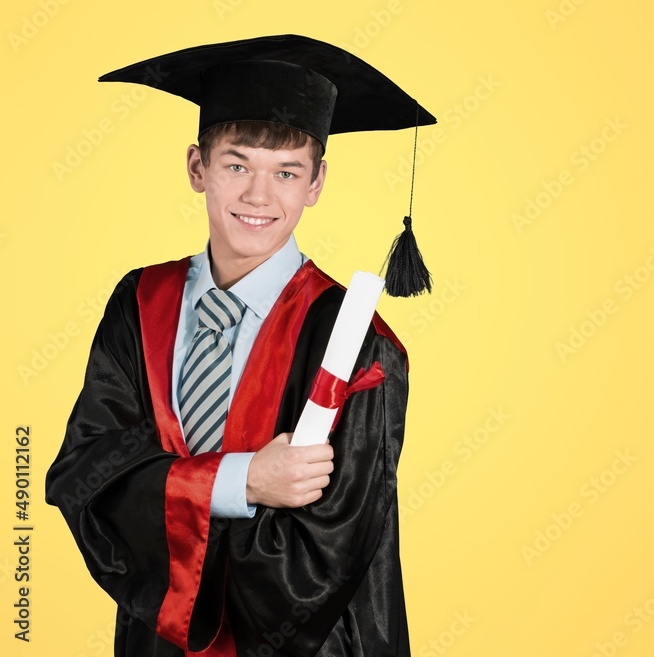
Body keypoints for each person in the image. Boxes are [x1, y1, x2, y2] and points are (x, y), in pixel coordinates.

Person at [45, 34, 434, 657]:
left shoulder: (356, 342)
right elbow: (86, 473)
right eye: (237, 165)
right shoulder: (139, 302)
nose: (259, 196)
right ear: (198, 167)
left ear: (316, 183)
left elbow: (330, 553)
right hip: (158, 643)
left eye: (286, 172)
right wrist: (244, 480)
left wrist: (174, 502)